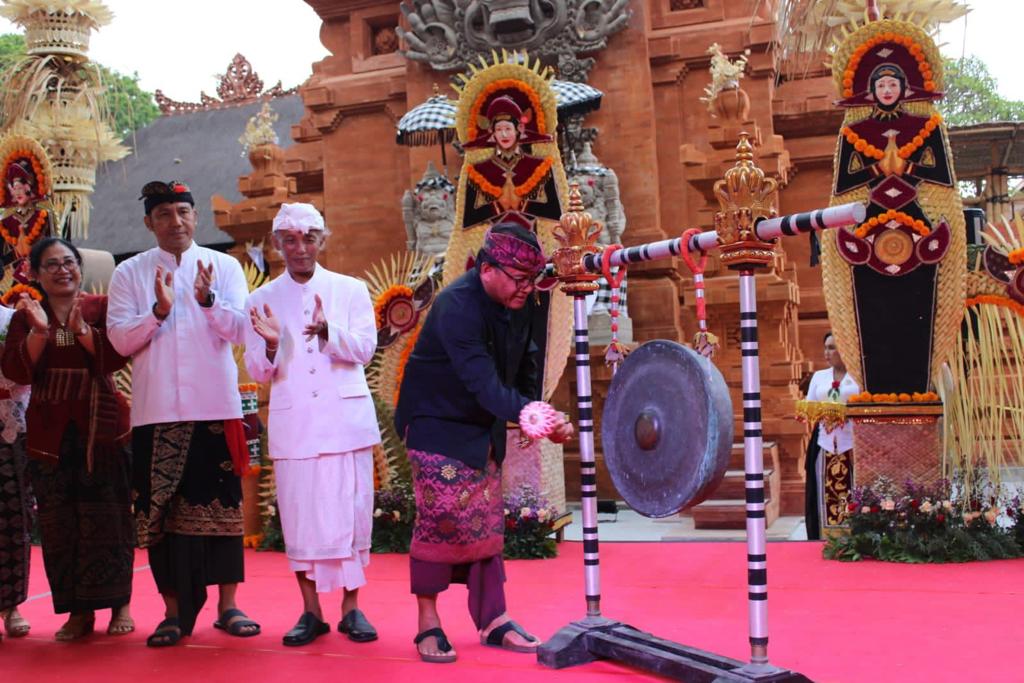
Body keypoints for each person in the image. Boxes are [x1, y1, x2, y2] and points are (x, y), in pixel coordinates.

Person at [395, 223, 573, 663]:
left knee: (486, 524)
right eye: (517, 279)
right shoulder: (458, 305)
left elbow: (527, 361)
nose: (525, 289)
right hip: (436, 423)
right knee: (441, 520)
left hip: (482, 425)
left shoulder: (518, 297)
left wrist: (532, 412)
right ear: (488, 268)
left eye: (531, 280)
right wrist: (538, 419)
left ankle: (493, 619)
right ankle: (428, 625)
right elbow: (484, 384)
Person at [106, 181, 259, 647]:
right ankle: (172, 612)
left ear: (196, 218)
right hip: (156, 412)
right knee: (161, 515)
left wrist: (209, 301)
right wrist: (158, 310)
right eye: (166, 214)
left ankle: (228, 606)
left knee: (225, 509)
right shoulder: (129, 273)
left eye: (184, 212)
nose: (177, 221)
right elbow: (119, 341)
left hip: (215, 405)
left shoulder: (226, 266)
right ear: (149, 222)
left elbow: (240, 331)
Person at [244, 203, 381, 647]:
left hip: (345, 422)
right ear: (277, 245)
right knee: (302, 518)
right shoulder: (258, 301)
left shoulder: (351, 289)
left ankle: (352, 609)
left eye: (308, 238)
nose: (299, 248)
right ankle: (310, 612)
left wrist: (328, 332)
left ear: (323, 240)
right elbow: (257, 371)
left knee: (351, 515)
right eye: (289, 240)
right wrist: (269, 346)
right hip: (295, 424)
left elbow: (365, 349)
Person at [1, 237, 134, 640]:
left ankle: (119, 606)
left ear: (80, 267)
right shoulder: (27, 316)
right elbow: (19, 372)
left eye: (68, 262)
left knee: (111, 518)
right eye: (52, 264)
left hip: (102, 426)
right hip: (49, 433)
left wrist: (81, 331)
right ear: (37, 274)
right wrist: (41, 333)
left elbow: (115, 357)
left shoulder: (102, 307)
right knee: (61, 525)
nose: (62, 270)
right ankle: (78, 613)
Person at [804, 332, 859, 540]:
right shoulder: (819, 377)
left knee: (854, 489)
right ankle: (825, 537)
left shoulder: (858, 377)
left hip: (853, 444)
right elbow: (810, 407)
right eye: (826, 347)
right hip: (824, 443)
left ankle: (857, 537)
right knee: (821, 489)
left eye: (832, 348)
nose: (827, 353)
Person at [0, 299, 32, 640]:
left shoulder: (14, 319)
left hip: (9, 425)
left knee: (13, 517)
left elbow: (28, 373)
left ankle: (11, 606)